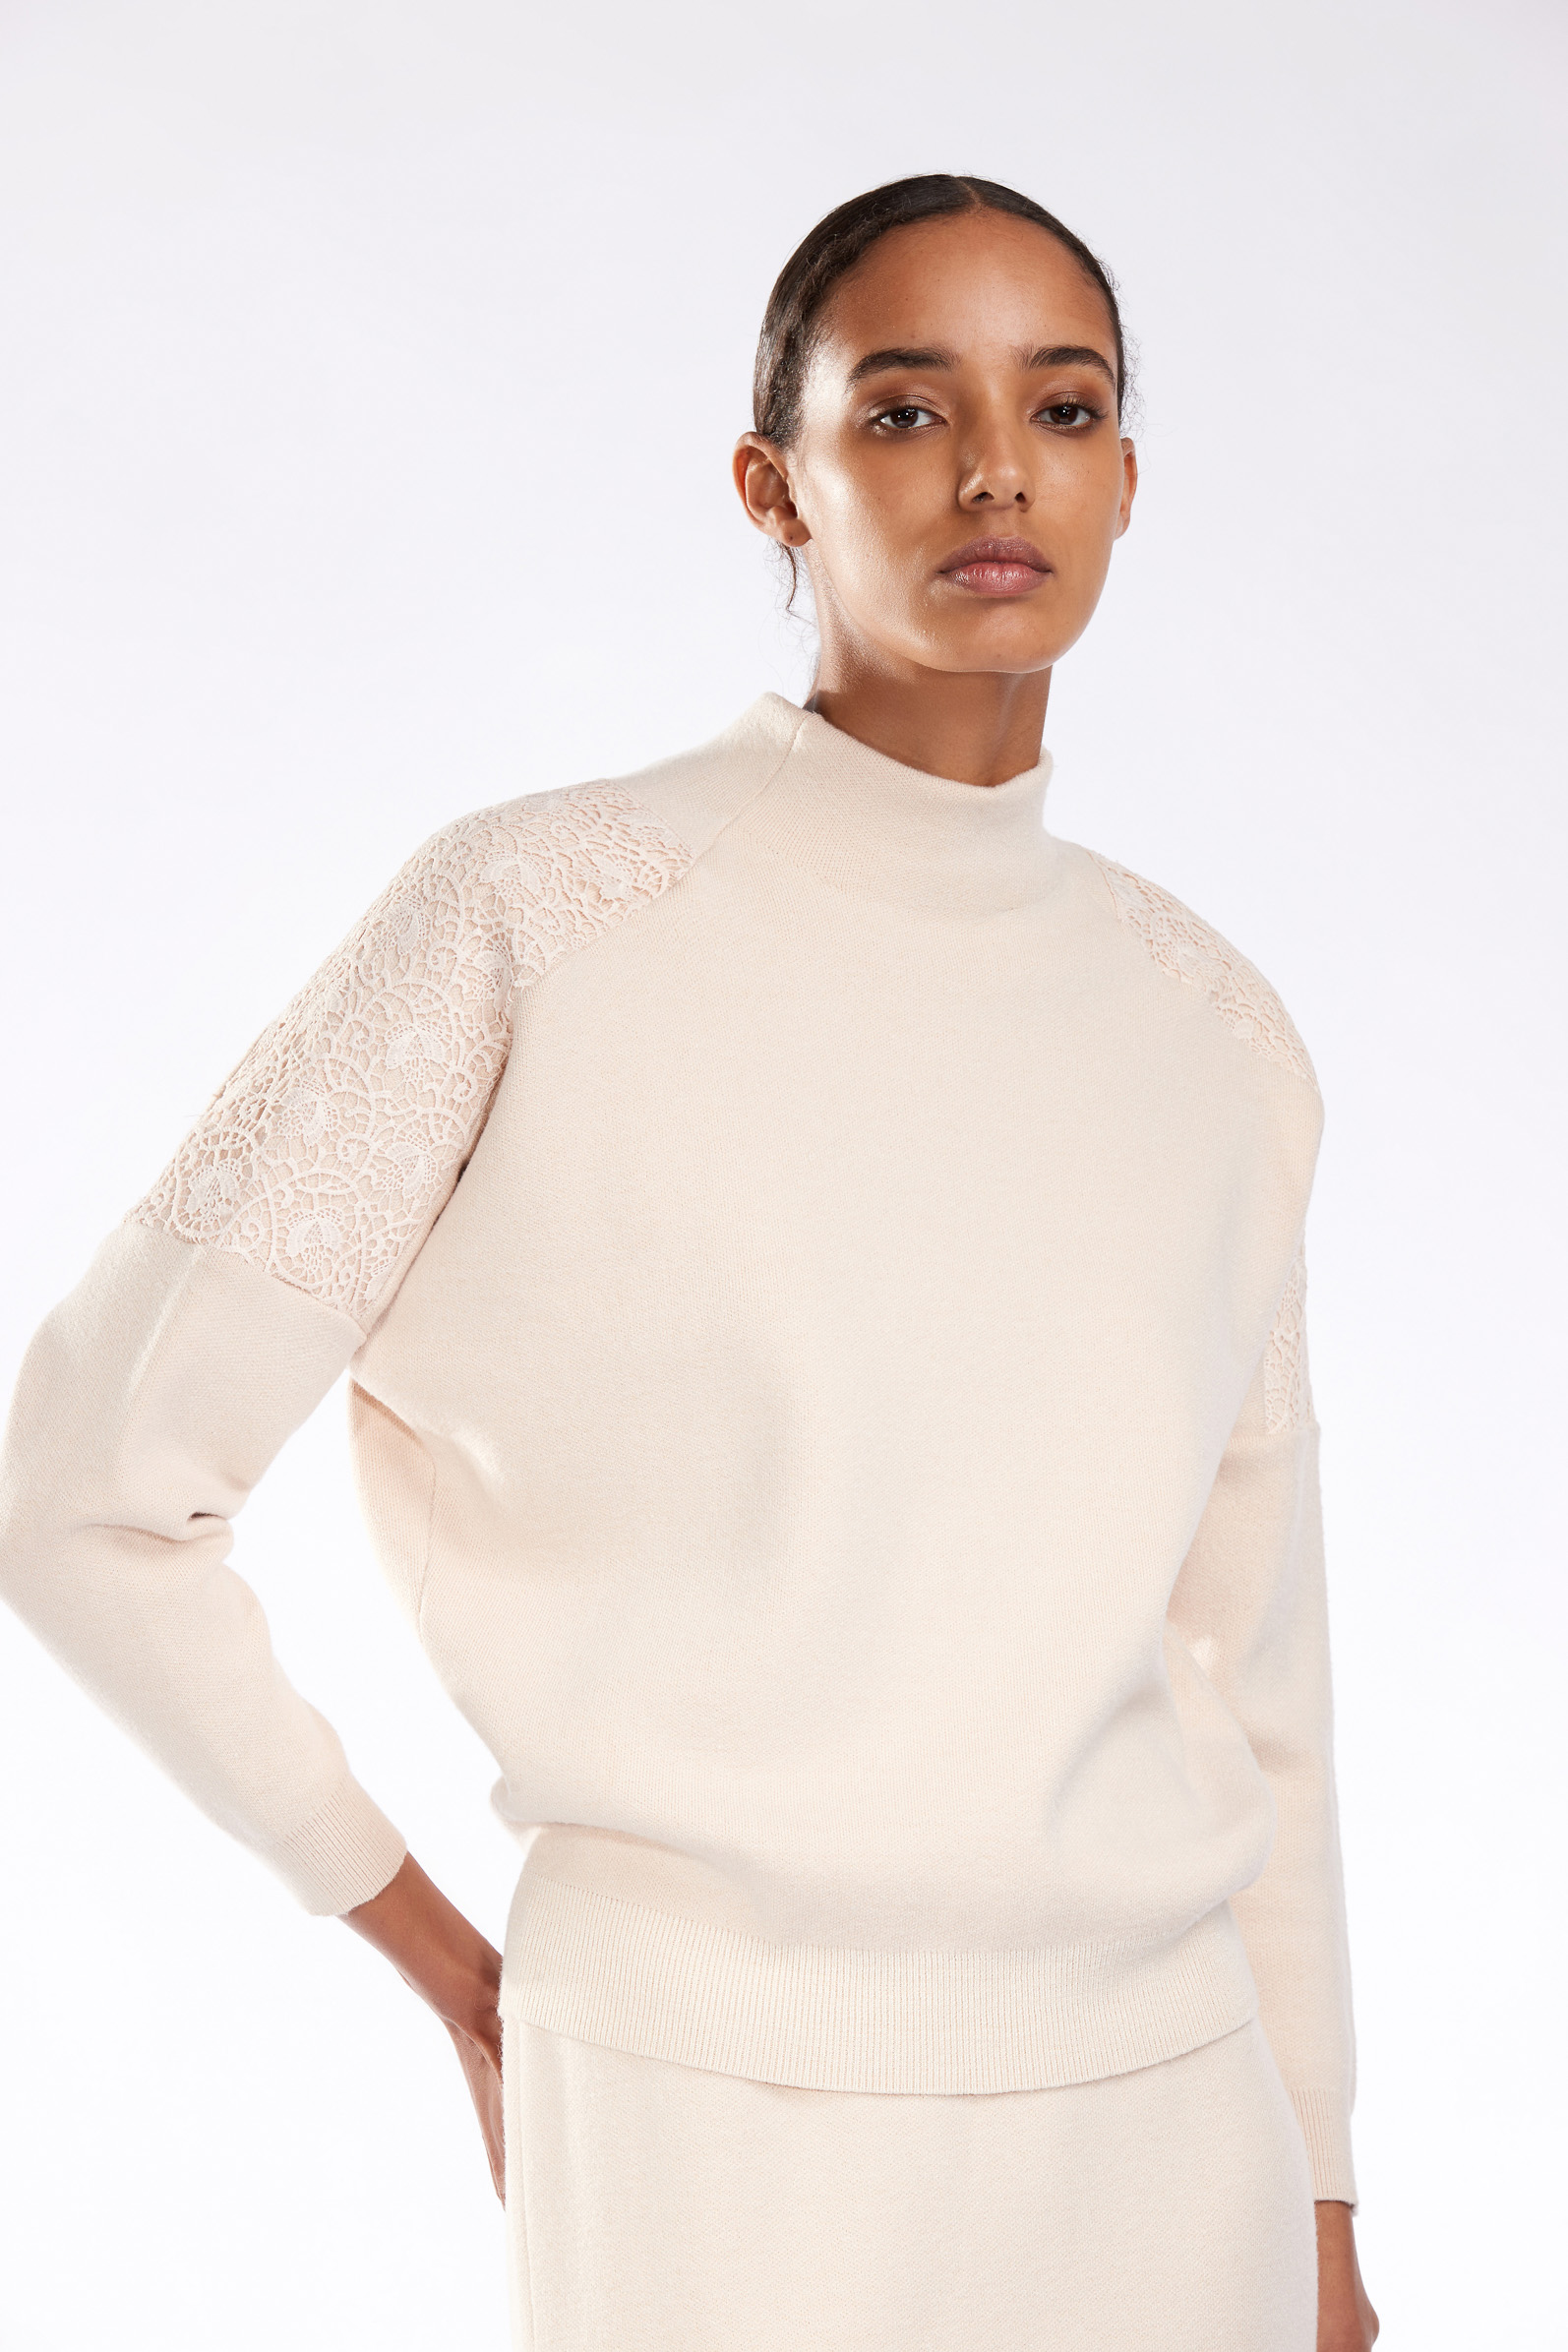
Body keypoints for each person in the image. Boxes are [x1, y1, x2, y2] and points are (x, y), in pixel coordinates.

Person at [0, 174, 1379, 2350]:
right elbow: (81, 1488)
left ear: (1126, 477)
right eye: (904, 410)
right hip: (702, 2126)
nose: (995, 470)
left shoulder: (1212, 1032)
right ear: (772, 484)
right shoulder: (533, 918)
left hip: (1169, 2131)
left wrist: (1316, 2191)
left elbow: (1257, 1678)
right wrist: (443, 1962)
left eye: (1062, 406)